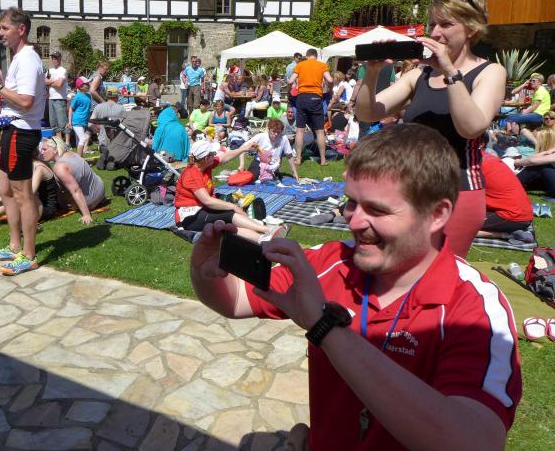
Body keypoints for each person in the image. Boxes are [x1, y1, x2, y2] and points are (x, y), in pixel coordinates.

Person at [189, 124, 521, 450]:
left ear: (437, 214)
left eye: (377, 209)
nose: (354, 221)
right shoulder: (330, 262)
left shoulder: (472, 307)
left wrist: (324, 326)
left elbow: (476, 440)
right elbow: (235, 300)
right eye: (351, 202)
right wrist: (203, 271)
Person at [354, 0, 506, 257]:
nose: (435, 33)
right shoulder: (419, 75)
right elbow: (368, 113)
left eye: (446, 24)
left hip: (458, 192)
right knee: (401, 266)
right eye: (433, 24)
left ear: (471, 29)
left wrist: (449, 71)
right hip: (409, 189)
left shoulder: (490, 72)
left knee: (441, 271)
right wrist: (372, 72)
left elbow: (471, 128)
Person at [0, 7, 46, 275]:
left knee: (23, 194)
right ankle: (15, 245)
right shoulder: (19, 58)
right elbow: (16, 95)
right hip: (12, 130)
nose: (0, 33)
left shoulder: (28, 59)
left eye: (5, 28)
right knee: (4, 189)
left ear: (21, 29)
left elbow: (27, 102)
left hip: (22, 132)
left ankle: (28, 255)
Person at [174, 139, 283, 242]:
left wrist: (243, 149)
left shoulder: (204, 165)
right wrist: (233, 207)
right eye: (213, 154)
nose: (215, 156)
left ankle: (263, 239)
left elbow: (224, 157)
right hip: (190, 217)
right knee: (229, 213)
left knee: (228, 224)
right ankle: (267, 230)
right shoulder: (192, 174)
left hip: (202, 208)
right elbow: (207, 201)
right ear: (206, 158)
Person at [39, 136, 105, 225]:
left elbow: (76, 190)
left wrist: (86, 214)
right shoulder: (72, 154)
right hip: (100, 191)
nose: (42, 152)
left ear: (55, 150)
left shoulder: (60, 167)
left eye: (44, 149)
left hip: (90, 201)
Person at [287, 48, 334, 166]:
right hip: (316, 98)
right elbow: (330, 79)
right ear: (316, 56)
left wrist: (288, 93)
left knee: (300, 130)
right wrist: (330, 90)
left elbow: (290, 81)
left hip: (302, 98)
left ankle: (298, 159)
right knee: (319, 131)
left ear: (307, 56)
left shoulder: (300, 65)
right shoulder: (322, 65)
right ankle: (323, 160)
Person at [479, 151, 533, 238]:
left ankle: (508, 235)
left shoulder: (473, 164)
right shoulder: (486, 158)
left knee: (458, 224)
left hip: (512, 216)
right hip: (521, 213)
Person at [514, 126, 555, 197]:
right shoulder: (551, 150)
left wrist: (519, 162)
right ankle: (515, 182)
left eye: (537, 139)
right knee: (540, 164)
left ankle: (512, 182)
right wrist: (546, 152)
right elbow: (533, 158)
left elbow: (532, 161)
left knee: (541, 164)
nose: (536, 141)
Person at [45, 51, 69, 142]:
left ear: (60, 59)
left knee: (63, 122)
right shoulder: (50, 70)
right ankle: (60, 142)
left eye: (56, 58)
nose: (54, 60)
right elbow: (44, 82)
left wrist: (50, 82)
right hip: (51, 98)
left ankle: (67, 142)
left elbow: (59, 85)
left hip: (60, 98)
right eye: (53, 58)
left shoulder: (63, 70)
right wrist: (54, 81)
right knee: (53, 123)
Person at [69, 78, 93, 157]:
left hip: (84, 121)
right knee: (82, 139)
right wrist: (69, 121)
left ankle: (79, 157)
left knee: (80, 140)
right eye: (86, 84)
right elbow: (71, 108)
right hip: (77, 121)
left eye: (88, 83)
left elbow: (87, 109)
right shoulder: (77, 96)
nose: (88, 85)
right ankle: (80, 159)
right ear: (81, 87)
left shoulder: (89, 96)